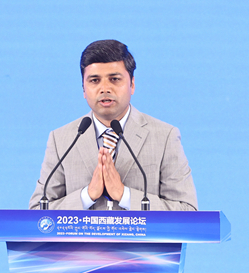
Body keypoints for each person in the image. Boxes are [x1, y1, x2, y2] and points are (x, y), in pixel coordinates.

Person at [29, 39, 197, 211]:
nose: (105, 88)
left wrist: (124, 195)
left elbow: (187, 210)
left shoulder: (164, 136)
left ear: (132, 84)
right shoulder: (61, 139)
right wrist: (87, 195)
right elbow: (37, 211)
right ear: (83, 89)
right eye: (95, 80)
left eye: (114, 79)